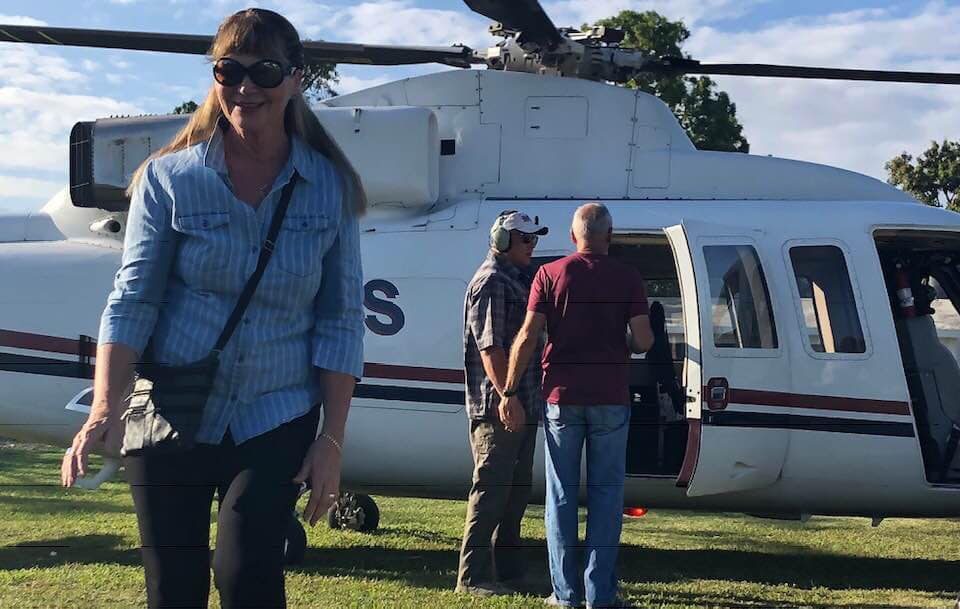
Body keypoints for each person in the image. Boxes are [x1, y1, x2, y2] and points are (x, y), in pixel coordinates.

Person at [60, 9, 366, 609]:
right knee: (172, 591)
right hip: (172, 411)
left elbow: (340, 319)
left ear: (296, 78)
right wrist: (103, 408)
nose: (246, 87)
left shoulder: (328, 186)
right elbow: (134, 299)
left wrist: (331, 440)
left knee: (247, 577)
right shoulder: (167, 179)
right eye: (230, 70)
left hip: (274, 413)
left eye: (265, 71)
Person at [501, 203, 653, 609]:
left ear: (572, 236)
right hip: (610, 398)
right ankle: (600, 594)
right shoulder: (628, 277)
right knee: (606, 497)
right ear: (609, 235)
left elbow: (529, 336)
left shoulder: (549, 275)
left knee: (561, 497)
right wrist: (624, 341)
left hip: (561, 399)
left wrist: (509, 389)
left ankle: (565, 594)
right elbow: (644, 340)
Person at [456, 210, 549, 596]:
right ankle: (472, 578)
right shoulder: (491, 281)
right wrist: (507, 396)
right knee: (491, 490)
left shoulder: (519, 278)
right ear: (504, 241)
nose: (532, 246)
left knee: (515, 493)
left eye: (533, 239)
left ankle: (509, 571)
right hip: (499, 407)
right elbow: (490, 348)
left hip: (523, 402)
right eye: (525, 239)